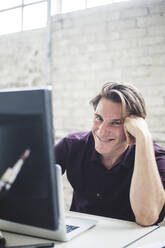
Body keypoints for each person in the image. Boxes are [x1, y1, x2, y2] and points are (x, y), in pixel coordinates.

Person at [55, 82, 165, 226]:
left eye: (116, 123)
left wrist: (143, 136)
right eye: (99, 118)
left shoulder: (157, 159)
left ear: (134, 126)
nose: (102, 131)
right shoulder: (72, 145)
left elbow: (147, 218)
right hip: (81, 238)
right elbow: (31, 187)